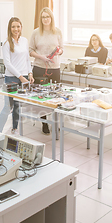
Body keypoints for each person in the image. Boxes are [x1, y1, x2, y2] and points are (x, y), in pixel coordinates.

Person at [29, 7, 63, 135]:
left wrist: (58, 52)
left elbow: (62, 48)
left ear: (51, 18)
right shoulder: (36, 33)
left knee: (56, 96)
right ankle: (44, 123)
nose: (45, 19)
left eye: (47, 17)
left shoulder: (58, 32)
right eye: (43, 17)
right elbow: (30, 50)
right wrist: (41, 57)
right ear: (41, 19)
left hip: (54, 68)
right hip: (39, 68)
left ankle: (56, 123)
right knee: (41, 97)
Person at [0, 17, 34, 134]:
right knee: (8, 106)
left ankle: (14, 128)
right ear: (10, 28)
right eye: (13, 27)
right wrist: (21, 77)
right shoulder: (7, 43)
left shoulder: (24, 41)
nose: (16, 29)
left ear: (21, 27)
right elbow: (7, 63)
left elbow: (27, 59)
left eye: (18, 26)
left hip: (24, 77)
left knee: (17, 106)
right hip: (12, 78)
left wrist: (30, 73)